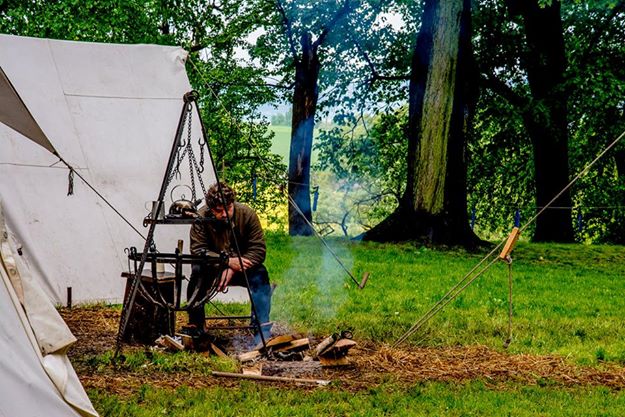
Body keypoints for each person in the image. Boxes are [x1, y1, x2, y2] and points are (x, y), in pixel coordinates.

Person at [187, 182, 272, 341]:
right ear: (211, 209)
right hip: (211, 267)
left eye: (228, 208)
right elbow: (198, 251)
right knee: (197, 274)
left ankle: (261, 327)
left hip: (242, 266)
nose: (225, 214)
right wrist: (226, 262)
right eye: (219, 211)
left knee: (260, 275)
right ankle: (196, 327)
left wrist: (233, 266)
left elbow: (258, 250)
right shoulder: (201, 217)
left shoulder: (247, 215)